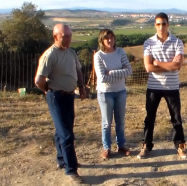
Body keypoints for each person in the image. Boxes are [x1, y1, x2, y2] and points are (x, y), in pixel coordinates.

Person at [35, 24, 86, 183]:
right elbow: (38, 80)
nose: (69, 38)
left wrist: (81, 87)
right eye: (66, 36)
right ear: (56, 36)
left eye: (70, 35)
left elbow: (78, 70)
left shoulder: (71, 52)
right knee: (67, 135)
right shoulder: (49, 55)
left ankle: (61, 159)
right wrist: (48, 90)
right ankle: (71, 169)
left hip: (69, 97)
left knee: (62, 130)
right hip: (56, 97)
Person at [137, 12, 187, 159]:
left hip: (172, 87)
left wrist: (157, 63)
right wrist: (169, 65)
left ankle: (180, 145)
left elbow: (177, 66)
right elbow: (148, 68)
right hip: (153, 86)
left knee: (176, 118)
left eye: (164, 23)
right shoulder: (148, 43)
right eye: (158, 24)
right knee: (149, 118)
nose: (161, 27)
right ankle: (146, 145)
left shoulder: (177, 42)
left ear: (168, 24)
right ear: (155, 25)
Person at [94, 29, 132, 159]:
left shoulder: (120, 52)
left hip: (120, 91)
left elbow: (128, 71)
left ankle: (121, 146)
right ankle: (107, 148)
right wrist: (119, 73)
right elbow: (102, 78)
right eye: (106, 38)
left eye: (111, 37)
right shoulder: (98, 56)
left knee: (120, 121)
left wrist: (111, 73)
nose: (110, 40)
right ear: (102, 40)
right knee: (107, 122)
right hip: (105, 93)